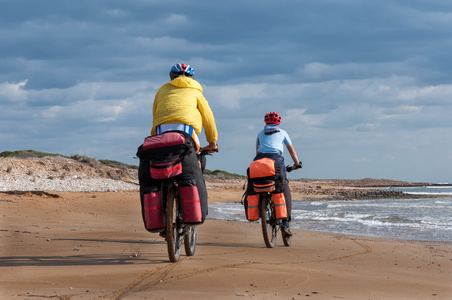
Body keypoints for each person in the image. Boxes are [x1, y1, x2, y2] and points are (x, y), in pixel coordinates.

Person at [138, 63, 219, 236]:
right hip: (186, 136)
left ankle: (162, 217)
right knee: (196, 161)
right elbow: (208, 119)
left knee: (157, 173)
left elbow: (155, 115)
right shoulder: (196, 92)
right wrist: (212, 143)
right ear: (192, 79)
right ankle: (185, 213)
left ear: (171, 78)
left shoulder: (161, 91)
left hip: (159, 137)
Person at [253, 111, 302, 236]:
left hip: (259, 161)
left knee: (257, 183)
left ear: (265, 122)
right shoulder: (283, 132)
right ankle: (286, 224)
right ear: (278, 122)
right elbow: (292, 151)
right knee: (284, 190)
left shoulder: (260, 133)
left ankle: (259, 209)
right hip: (276, 161)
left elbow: (257, 152)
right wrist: (297, 164)